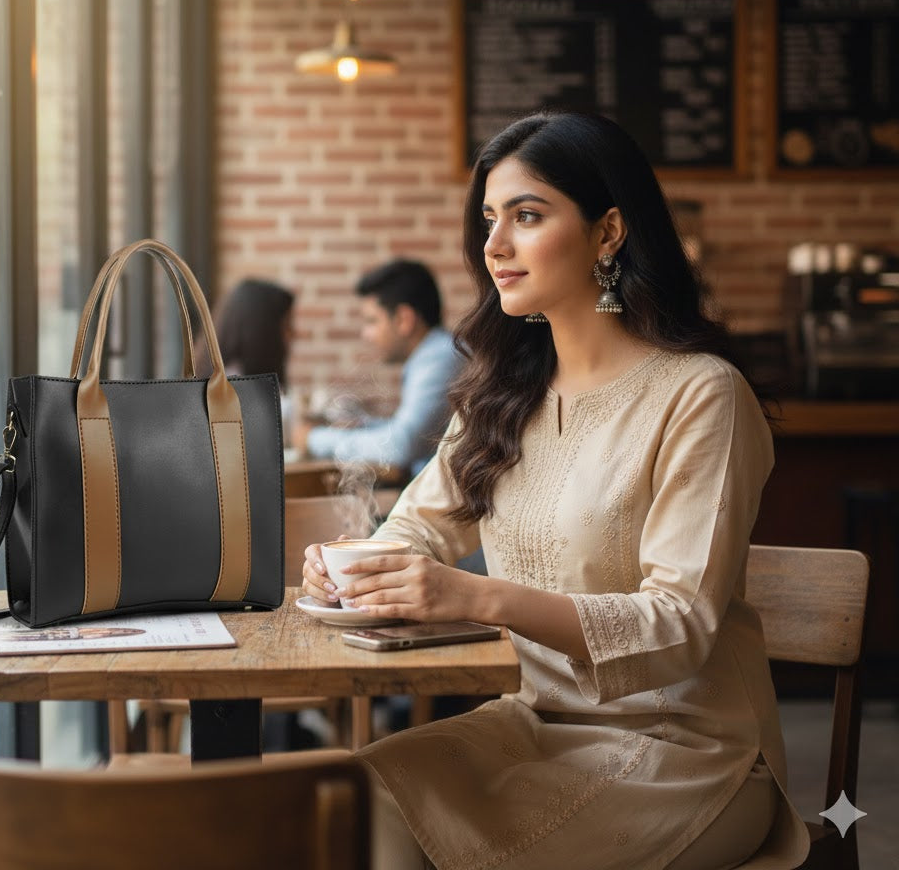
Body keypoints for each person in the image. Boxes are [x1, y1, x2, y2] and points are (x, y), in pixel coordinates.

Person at [301, 112, 809, 870]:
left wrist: (477, 598)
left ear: (609, 233)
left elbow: (682, 624)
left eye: (527, 216)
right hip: (533, 725)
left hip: (689, 754)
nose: (495, 246)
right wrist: (357, 569)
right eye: (488, 221)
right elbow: (416, 533)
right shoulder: (502, 395)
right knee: (346, 795)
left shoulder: (701, 396)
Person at [293, 259, 464, 479]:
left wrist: (313, 439)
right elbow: (412, 433)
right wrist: (362, 426)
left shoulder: (440, 358)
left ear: (404, 320)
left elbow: (403, 444)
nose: (366, 334)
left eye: (372, 321)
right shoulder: (434, 354)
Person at [201, 278, 296, 432]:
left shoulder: (246, 381)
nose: (293, 333)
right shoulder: (233, 387)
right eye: (287, 325)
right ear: (263, 330)